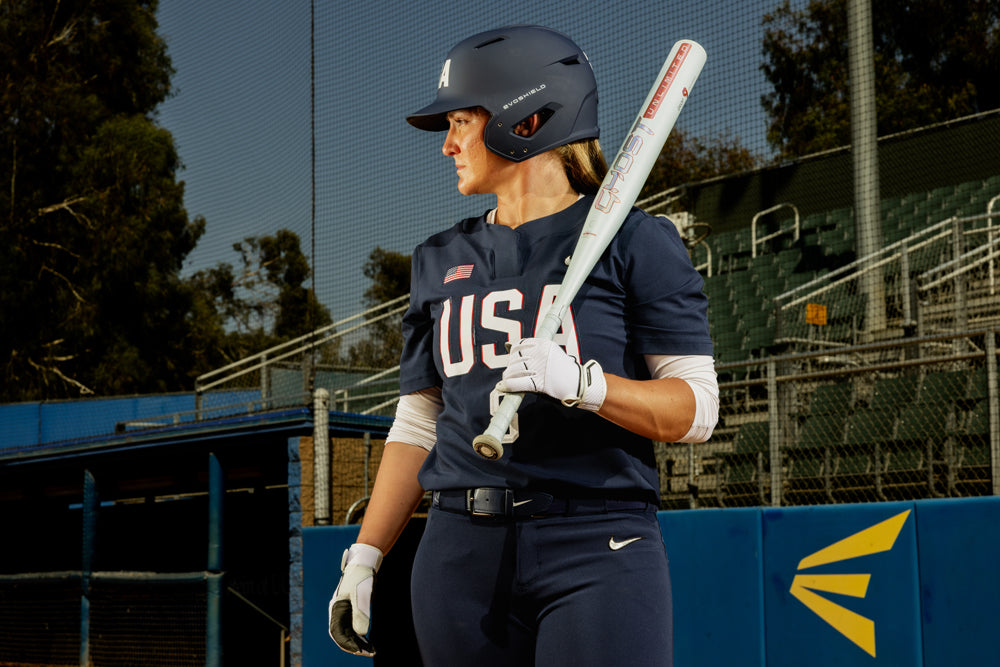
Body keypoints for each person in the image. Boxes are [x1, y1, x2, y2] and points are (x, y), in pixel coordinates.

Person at [328, 25, 718, 667]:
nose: (448, 143)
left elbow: (696, 409)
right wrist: (367, 554)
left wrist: (589, 387)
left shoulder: (637, 242)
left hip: (597, 542)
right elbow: (418, 422)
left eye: (461, 121)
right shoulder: (438, 259)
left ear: (528, 119)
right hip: (458, 553)